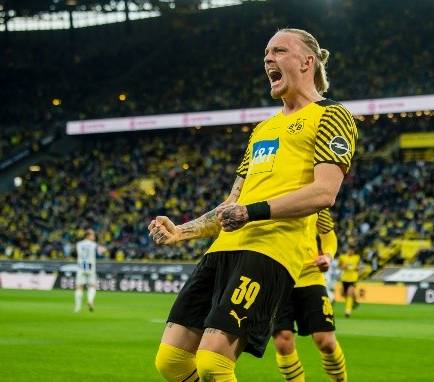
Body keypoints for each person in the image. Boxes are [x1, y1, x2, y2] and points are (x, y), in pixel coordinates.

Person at [148, 28, 357, 382]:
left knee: (215, 363)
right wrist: (180, 232)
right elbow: (233, 203)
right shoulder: (262, 129)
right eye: (265, 54)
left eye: (279, 50)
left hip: (271, 249)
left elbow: (324, 193)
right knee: (170, 362)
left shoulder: (331, 115)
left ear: (307, 61)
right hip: (223, 249)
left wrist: (251, 212)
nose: (267, 59)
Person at [272, 208, 347, 382]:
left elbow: (328, 234)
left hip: (310, 277)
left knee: (326, 342)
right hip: (277, 280)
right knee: (283, 343)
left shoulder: (315, 197)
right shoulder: (266, 192)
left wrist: (328, 256)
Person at [74, 229, 106, 313]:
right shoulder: (94, 245)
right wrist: (103, 250)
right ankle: (90, 300)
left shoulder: (79, 244)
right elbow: (99, 254)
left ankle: (77, 308)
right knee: (92, 286)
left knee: (79, 287)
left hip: (81, 268)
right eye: (93, 235)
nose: (94, 237)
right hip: (90, 268)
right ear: (88, 236)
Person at [338, 247, 361, 318]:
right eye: (349, 250)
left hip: (353, 278)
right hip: (344, 278)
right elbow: (339, 266)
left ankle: (347, 311)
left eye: (352, 250)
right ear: (347, 250)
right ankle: (353, 301)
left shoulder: (357, 257)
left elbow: (358, 266)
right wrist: (343, 267)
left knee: (350, 292)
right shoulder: (342, 257)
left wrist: (357, 268)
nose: (351, 251)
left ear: (354, 251)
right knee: (344, 295)